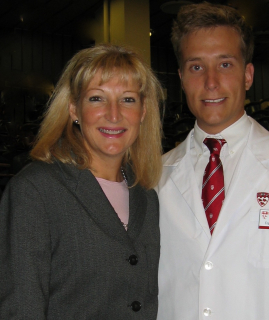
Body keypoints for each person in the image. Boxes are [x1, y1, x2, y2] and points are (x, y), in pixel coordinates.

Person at [156, 2, 269, 320]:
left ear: (248, 74)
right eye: (196, 67)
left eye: (226, 65)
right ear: (181, 78)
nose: (211, 82)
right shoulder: (155, 177)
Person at [0, 43, 164, 319]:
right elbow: (21, 307)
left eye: (127, 99)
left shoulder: (146, 195)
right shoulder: (35, 191)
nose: (114, 114)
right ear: (74, 109)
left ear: (143, 111)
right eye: (97, 98)